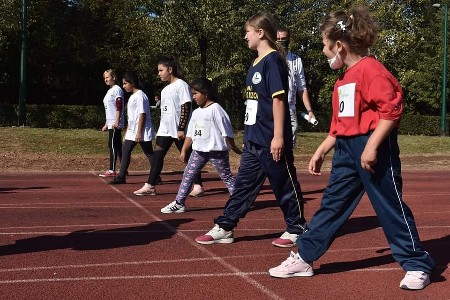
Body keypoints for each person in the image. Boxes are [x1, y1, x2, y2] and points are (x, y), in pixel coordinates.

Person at [268, 6, 435, 291]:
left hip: (374, 148)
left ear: (339, 46)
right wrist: (323, 148)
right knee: (332, 206)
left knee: (390, 206)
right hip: (346, 150)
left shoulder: (372, 71)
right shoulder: (344, 79)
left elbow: (391, 112)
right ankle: (305, 257)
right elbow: (341, 124)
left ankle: (417, 264)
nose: (322, 51)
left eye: (323, 45)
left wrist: (371, 147)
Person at [195, 11, 307, 247]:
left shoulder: (274, 60)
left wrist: (278, 137)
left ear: (260, 32)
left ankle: (297, 228)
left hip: (270, 138)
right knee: (243, 186)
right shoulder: (255, 63)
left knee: (284, 184)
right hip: (254, 139)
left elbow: (278, 100)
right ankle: (225, 226)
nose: (245, 36)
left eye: (247, 32)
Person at [160, 78, 242, 213]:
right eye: (192, 94)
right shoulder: (196, 112)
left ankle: (239, 201)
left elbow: (227, 132)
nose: (193, 97)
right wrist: (184, 150)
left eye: (195, 94)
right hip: (198, 151)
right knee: (188, 175)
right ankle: (179, 202)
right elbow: (191, 134)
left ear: (206, 93)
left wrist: (234, 148)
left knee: (226, 176)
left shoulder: (216, 109)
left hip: (217, 151)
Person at [133, 57, 203, 196]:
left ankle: (198, 186)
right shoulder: (165, 90)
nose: (158, 73)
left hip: (179, 131)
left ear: (170, 70)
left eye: (161, 70)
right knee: (157, 156)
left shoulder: (181, 85)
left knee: (188, 158)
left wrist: (181, 128)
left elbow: (186, 106)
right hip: (165, 130)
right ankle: (150, 185)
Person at [108, 71, 154, 185]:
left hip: (141, 130)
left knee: (149, 153)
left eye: (125, 83)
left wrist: (139, 132)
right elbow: (131, 117)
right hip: (132, 131)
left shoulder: (140, 96)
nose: (123, 86)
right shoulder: (133, 96)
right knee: (125, 150)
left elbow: (142, 114)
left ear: (132, 83)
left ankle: (156, 176)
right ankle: (121, 177)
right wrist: (128, 131)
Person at [277, 27, 316, 147]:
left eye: (283, 39)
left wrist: (310, 111)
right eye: (278, 39)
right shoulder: (271, 58)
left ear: (289, 39)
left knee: (289, 144)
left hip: (290, 108)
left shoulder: (296, 60)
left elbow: (301, 87)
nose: (281, 41)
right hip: (272, 108)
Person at [98, 69, 125, 178]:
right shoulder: (110, 90)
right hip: (111, 122)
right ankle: (124, 168)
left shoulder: (117, 89)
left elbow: (119, 105)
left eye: (108, 77)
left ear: (114, 77)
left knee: (112, 145)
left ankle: (111, 169)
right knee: (117, 146)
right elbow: (109, 109)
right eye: (104, 78)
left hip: (115, 122)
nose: (106, 79)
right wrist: (106, 123)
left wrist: (116, 121)